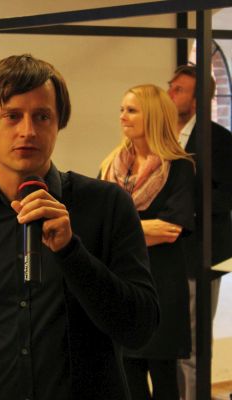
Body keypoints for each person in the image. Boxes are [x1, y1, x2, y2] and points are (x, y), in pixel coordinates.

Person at [0, 54, 160, 400]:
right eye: (12, 116)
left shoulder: (107, 205)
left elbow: (140, 327)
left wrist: (71, 252)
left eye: (42, 116)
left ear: (58, 124)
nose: (28, 131)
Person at [100, 84, 195, 399]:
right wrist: (142, 229)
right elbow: (99, 226)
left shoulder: (179, 166)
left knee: (165, 382)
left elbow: (171, 229)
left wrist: (120, 231)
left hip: (162, 287)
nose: (122, 117)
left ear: (153, 116)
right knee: (129, 381)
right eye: (122, 110)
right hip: (121, 285)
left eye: (131, 110)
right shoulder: (111, 165)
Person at [167, 65, 232, 400]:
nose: (169, 93)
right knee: (170, 343)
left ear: (197, 100)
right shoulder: (161, 133)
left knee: (193, 345)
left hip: (200, 252)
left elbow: (228, 195)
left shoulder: (219, 139)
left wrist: (186, 210)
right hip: (165, 253)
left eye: (178, 89)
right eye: (170, 86)